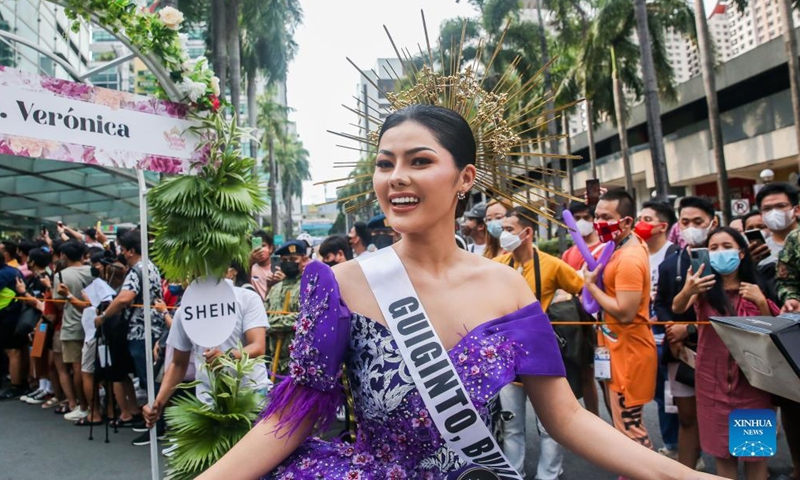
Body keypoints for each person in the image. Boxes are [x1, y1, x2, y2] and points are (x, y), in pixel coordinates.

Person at [200, 105, 720, 480]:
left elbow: (565, 418)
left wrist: (682, 476)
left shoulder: (506, 286)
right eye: (385, 163)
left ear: (464, 177)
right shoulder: (339, 284)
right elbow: (291, 419)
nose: (396, 178)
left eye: (420, 161)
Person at [672, 227, 778, 480]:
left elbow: (773, 332)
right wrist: (689, 288)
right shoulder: (704, 288)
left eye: (726, 246)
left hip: (753, 386)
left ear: (741, 254)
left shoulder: (756, 288)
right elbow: (678, 307)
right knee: (723, 456)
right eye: (714, 248)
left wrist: (761, 301)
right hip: (712, 385)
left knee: (755, 455)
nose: (720, 252)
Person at [494, 206, 584, 479]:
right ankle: (514, 474)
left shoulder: (552, 264)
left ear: (527, 232)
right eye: (504, 230)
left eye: (509, 230)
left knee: (551, 426)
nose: (504, 235)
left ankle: (549, 475)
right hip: (507, 360)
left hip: (543, 359)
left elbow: (583, 289)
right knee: (511, 427)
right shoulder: (497, 267)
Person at [142, 268, 269, 426]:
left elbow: (257, 347)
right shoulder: (184, 311)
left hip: (250, 395)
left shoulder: (247, 298)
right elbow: (178, 363)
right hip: (208, 401)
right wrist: (157, 403)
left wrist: (227, 357)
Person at [583, 189, 658, 450]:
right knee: (624, 429)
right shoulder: (622, 244)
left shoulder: (629, 257)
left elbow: (625, 313)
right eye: (596, 216)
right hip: (616, 352)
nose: (598, 223)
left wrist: (591, 287)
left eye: (606, 217)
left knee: (632, 431)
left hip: (629, 353)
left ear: (627, 222)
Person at [656, 196, 716, 470]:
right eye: (685, 222)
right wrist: (672, 329)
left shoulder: (730, 261)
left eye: (698, 222)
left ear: (713, 223)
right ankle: (687, 472)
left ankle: (756, 471)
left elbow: (743, 309)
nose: (691, 227)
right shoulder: (670, 264)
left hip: (728, 353)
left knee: (745, 414)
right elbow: (663, 304)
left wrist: (689, 327)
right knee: (687, 419)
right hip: (682, 354)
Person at [635, 201, 680, 459]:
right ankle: (673, 444)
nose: (641, 223)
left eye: (647, 219)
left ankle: (677, 447)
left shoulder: (674, 255)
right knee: (659, 396)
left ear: (663, 226)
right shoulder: (638, 252)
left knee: (672, 396)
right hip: (643, 337)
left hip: (667, 336)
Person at [52, 240, 92, 418]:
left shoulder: (60, 276)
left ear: (64, 256)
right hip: (92, 323)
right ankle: (96, 406)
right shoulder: (93, 271)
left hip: (71, 325)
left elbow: (59, 306)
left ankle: (82, 407)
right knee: (91, 369)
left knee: (77, 368)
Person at [264, 240, 311, 376]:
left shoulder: (308, 286)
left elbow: (306, 318)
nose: (288, 262)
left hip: (301, 362)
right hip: (276, 363)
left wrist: (274, 324)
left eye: (293, 259)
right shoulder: (274, 289)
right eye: (284, 259)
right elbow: (263, 318)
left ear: (303, 260)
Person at [562, 201, 602, 270]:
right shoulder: (567, 255)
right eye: (577, 218)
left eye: (586, 217)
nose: (582, 221)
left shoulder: (605, 248)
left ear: (594, 219)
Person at [249, 230, 276, 301]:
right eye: (256, 246)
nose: (260, 250)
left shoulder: (278, 268)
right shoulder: (249, 267)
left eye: (263, 246)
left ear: (270, 248)